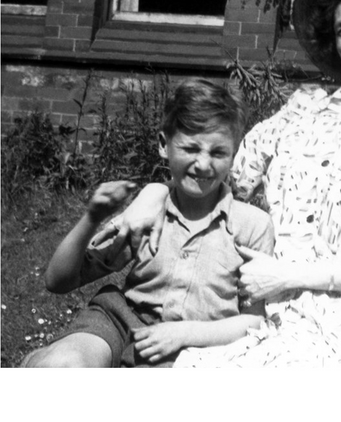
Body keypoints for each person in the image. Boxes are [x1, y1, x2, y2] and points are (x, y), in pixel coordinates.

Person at [112, 0, 341, 367]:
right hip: (271, 309)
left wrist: (284, 275)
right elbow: (221, 174)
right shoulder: (301, 111)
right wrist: (153, 194)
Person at [22, 79, 275, 367]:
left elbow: (255, 319)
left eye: (218, 153)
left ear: (233, 154)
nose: (203, 164)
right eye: (190, 149)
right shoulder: (146, 211)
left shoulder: (252, 226)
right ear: (164, 145)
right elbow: (59, 281)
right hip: (122, 323)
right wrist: (92, 217)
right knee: (62, 367)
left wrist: (186, 334)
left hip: (198, 347)